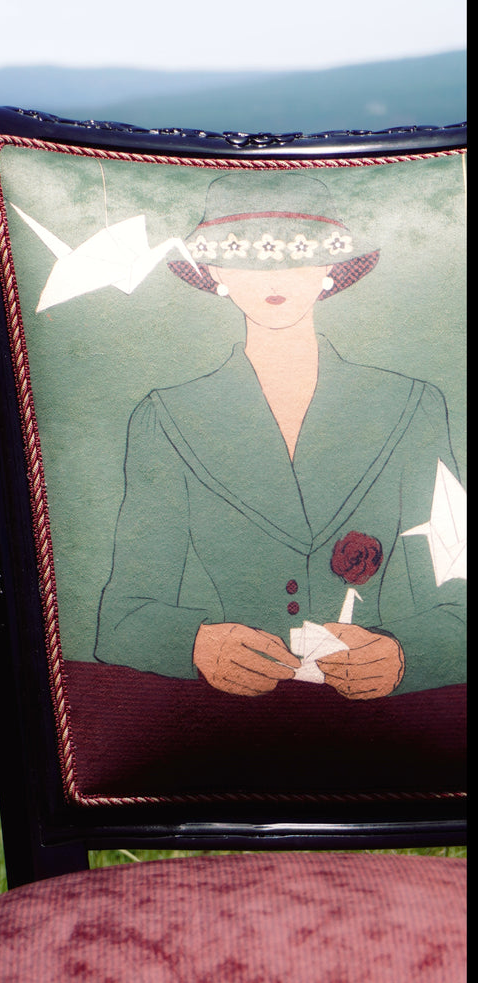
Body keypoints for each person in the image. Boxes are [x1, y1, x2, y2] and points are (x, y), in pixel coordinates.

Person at [94, 172, 465, 699]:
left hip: (382, 718)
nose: (276, 277)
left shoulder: (413, 407)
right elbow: (122, 617)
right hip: (223, 722)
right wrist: (197, 645)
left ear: (330, 269)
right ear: (215, 272)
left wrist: (405, 653)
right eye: (246, 255)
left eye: (299, 252)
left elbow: (461, 599)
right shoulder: (166, 419)